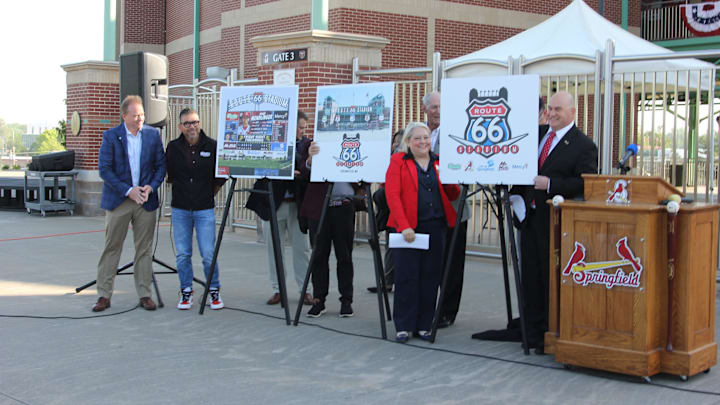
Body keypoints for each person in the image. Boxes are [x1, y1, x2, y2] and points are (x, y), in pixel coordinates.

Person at [475, 91, 598, 354]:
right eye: (549, 109)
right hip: (528, 218)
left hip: (555, 223)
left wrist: (552, 184)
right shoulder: (538, 134)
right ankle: (530, 331)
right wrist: (513, 192)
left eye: (558, 110)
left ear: (572, 112)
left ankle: (549, 335)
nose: (551, 114)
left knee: (548, 278)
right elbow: (520, 164)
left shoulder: (584, 145)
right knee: (529, 277)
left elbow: (586, 183)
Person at [385, 122, 460, 342]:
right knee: (407, 277)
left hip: (435, 226)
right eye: (417, 138)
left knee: (430, 277)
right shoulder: (398, 161)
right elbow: (393, 195)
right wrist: (404, 225)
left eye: (426, 137)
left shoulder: (438, 161)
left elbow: (453, 194)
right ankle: (403, 325)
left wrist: (452, 178)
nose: (423, 142)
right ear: (407, 141)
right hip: (408, 229)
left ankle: (424, 325)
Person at [92, 95, 166, 312]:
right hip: (119, 200)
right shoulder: (111, 136)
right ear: (124, 116)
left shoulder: (152, 135)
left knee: (143, 249)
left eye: (142, 115)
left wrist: (150, 187)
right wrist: (128, 190)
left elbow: (160, 166)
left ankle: (145, 295)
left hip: (145, 200)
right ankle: (104, 296)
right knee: (112, 247)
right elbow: (105, 169)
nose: (139, 119)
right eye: (135, 115)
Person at [246, 111, 313, 307]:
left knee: (302, 249)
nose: (302, 131)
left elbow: (308, 171)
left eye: (304, 128)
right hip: (274, 203)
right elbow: (262, 168)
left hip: (297, 205)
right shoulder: (271, 142)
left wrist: (296, 172)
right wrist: (287, 171)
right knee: (274, 249)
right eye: (300, 127)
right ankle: (278, 290)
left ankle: (305, 290)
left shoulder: (307, 145)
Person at [165, 107, 227, 310]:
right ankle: (186, 291)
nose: (192, 126)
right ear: (180, 126)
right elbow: (170, 176)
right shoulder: (173, 147)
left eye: (195, 122)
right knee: (183, 253)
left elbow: (219, 177)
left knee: (208, 253)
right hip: (181, 209)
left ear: (199, 124)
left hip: (204, 209)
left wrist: (208, 194)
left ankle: (214, 290)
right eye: (187, 123)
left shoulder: (213, 146)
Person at [423, 91, 471, 328]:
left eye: (441, 106)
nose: (438, 111)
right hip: (426, 211)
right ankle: (427, 307)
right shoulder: (416, 133)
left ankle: (447, 312)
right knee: (429, 261)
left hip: (454, 206)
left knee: (452, 264)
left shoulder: (458, 133)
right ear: (425, 110)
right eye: (433, 107)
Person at [300, 140, 360, 318]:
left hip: (344, 207)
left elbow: (365, 173)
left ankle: (346, 300)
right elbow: (302, 173)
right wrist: (310, 159)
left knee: (345, 256)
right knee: (318, 255)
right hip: (319, 209)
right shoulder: (312, 143)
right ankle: (319, 299)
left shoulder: (355, 140)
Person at [367, 129, 404, 294]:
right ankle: (387, 282)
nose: (397, 145)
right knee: (390, 244)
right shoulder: (389, 159)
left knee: (400, 245)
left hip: (400, 207)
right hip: (388, 206)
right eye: (395, 141)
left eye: (400, 142)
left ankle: (398, 282)